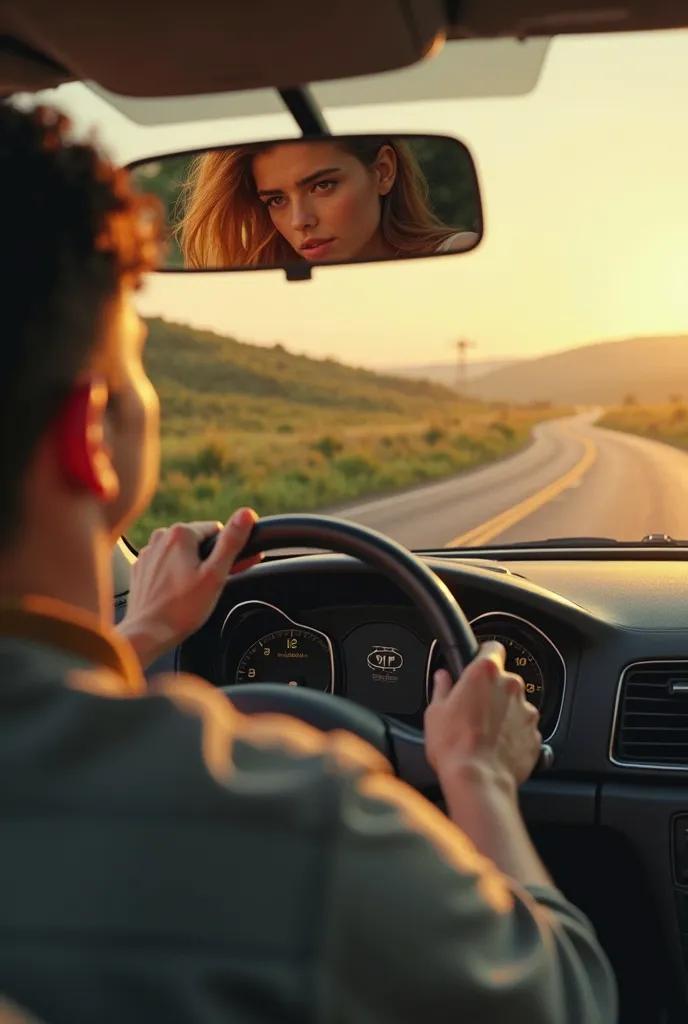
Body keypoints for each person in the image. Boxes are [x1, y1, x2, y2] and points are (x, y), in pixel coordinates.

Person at [0, 101, 616, 1023]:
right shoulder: (292, 828)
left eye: (321, 185)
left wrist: (134, 638)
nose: (300, 216)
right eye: (136, 367)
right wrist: (479, 777)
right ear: (92, 436)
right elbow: (566, 1000)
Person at [177, 136, 479, 267]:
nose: (300, 220)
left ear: (383, 172)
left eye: (322, 185)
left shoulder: (457, 252)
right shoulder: (283, 293)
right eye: (277, 200)